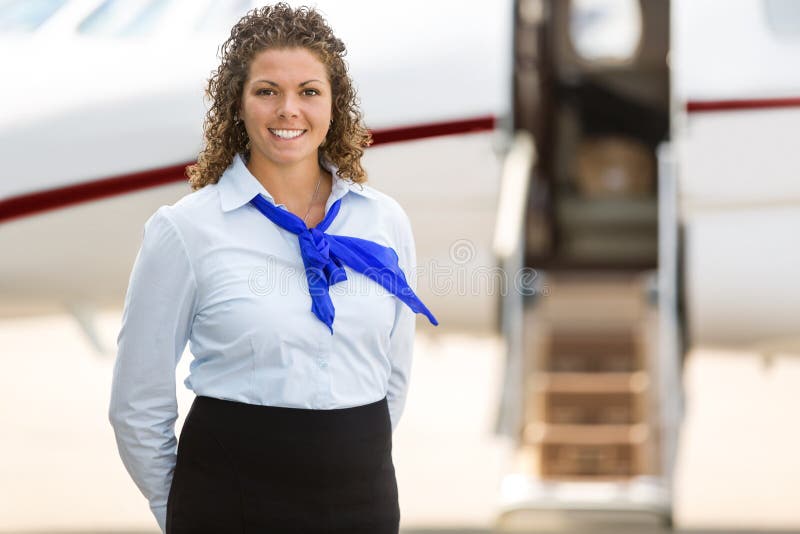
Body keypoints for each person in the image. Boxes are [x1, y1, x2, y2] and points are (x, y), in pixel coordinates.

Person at [108, 4, 438, 533]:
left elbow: (391, 374)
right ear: (237, 105)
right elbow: (136, 403)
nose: (289, 109)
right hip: (227, 504)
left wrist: (352, 460)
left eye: (309, 91)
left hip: (363, 504)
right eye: (267, 91)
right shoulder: (186, 230)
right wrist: (181, 512)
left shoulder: (384, 222)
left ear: (335, 106)